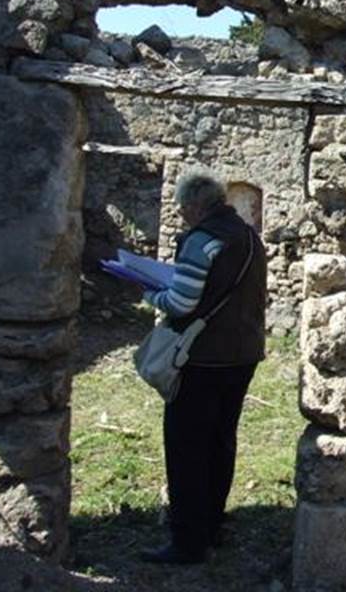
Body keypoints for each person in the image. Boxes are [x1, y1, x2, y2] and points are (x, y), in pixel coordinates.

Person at [138, 171, 267, 565]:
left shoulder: (202, 239)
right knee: (220, 441)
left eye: (182, 209)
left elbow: (182, 302)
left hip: (202, 359)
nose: (181, 216)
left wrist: (149, 292)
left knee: (186, 447)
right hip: (242, 355)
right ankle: (212, 525)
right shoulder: (248, 237)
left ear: (195, 205)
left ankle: (188, 542)